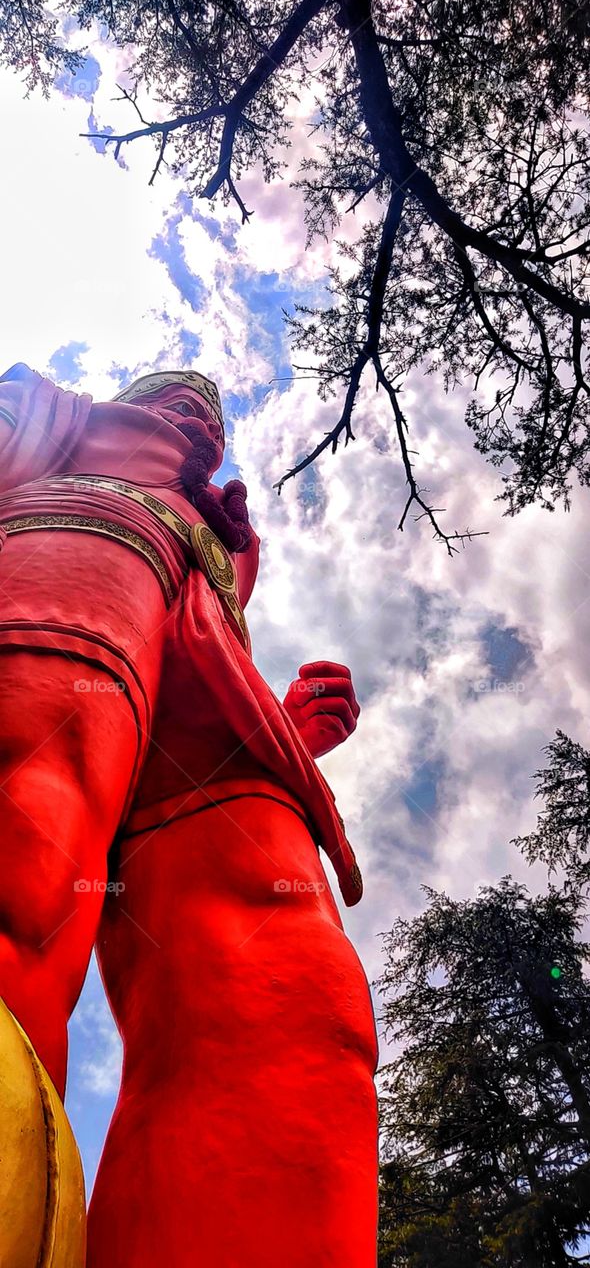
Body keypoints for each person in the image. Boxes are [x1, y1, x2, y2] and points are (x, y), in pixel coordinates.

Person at [0, 363, 378, 1266]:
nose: (197, 408)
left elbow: (195, 656)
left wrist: (282, 732)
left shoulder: (229, 537)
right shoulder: (52, 421)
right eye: (176, 390)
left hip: (209, 680)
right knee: (28, 860)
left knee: (300, 1007)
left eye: (210, 403)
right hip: (69, 556)